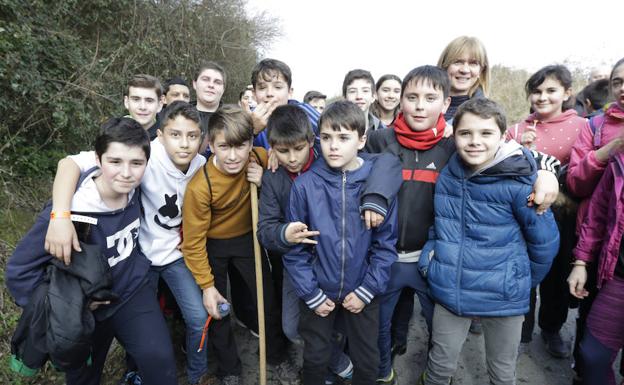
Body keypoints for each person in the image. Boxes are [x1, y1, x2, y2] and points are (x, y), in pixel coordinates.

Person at [44, 102, 212, 384]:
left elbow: (232, 157)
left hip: (175, 254)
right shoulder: (142, 156)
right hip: (139, 254)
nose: (184, 143)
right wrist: (60, 214)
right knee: (137, 329)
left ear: (202, 139)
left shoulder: (201, 164)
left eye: (193, 136)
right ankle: (133, 372)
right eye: (175, 134)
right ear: (160, 135)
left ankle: (197, 376)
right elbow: (70, 162)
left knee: (195, 317)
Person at [7, 118, 177, 385]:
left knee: (160, 362)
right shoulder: (73, 210)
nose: (126, 173)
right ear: (98, 160)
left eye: (136, 163)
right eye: (115, 162)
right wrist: (65, 307)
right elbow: (19, 271)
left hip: (131, 293)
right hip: (85, 311)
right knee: (84, 378)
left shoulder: (136, 189)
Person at [418, 97, 559, 385]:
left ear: (503, 136)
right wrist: (430, 260)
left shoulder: (521, 183)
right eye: (465, 133)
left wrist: (519, 279)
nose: (475, 141)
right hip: (451, 290)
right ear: (454, 134)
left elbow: (545, 243)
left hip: (504, 297)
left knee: (502, 371)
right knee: (439, 367)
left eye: (486, 133)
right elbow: (440, 224)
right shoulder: (449, 176)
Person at [257, 104, 401, 384]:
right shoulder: (305, 186)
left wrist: (368, 289)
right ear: (318, 138)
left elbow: (385, 245)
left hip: (363, 290)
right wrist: (311, 293)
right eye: (327, 138)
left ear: (362, 140)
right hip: (318, 290)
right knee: (315, 357)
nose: (333, 146)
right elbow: (295, 249)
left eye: (343, 138)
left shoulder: (376, 187)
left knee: (366, 358)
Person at [181, 105, 297, 385]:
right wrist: (207, 286)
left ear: (251, 143)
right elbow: (192, 243)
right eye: (224, 147)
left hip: (248, 239)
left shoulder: (259, 157)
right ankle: (229, 369)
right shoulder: (200, 187)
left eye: (241, 146)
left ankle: (277, 356)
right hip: (213, 245)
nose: (233, 156)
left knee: (266, 299)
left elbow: (281, 168)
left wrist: (266, 176)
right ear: (210, 144)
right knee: (218, 309)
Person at [506, 64, 586, 358]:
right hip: (524, 215)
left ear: (567, 93)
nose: (542, 97)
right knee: (521, 272)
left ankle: (551, 328)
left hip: (566, 218)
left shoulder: (583, 127)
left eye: (551, 91)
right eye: (536, 91)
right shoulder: (515, 129)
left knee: (557, 277)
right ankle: (518, 329)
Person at [566, 57, 624, 385]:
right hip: (607, 256)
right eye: (618, 81)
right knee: (592, 347)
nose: (623, 88)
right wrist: (609, 151)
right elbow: (579, 185)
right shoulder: (596, 126)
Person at [437, 36, 489, 123]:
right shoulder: (420, 107)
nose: (464, 70)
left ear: (481, 71)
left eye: (473, 63)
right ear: (444, 65)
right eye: (458, 62)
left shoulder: (489, 115)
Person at [342, 69, 385, 134]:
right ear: (345, 98)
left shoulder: (382, 130)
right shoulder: (330, 127)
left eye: (365, 91)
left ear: (373, 96)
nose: (359, 96)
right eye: (352, 91)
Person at [124, 74, 164, 140]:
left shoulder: (168, 140)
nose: (142, 107)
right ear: (126, 102)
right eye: (136, 99)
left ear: (160, 105)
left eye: (149, 101)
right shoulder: (112, 136)